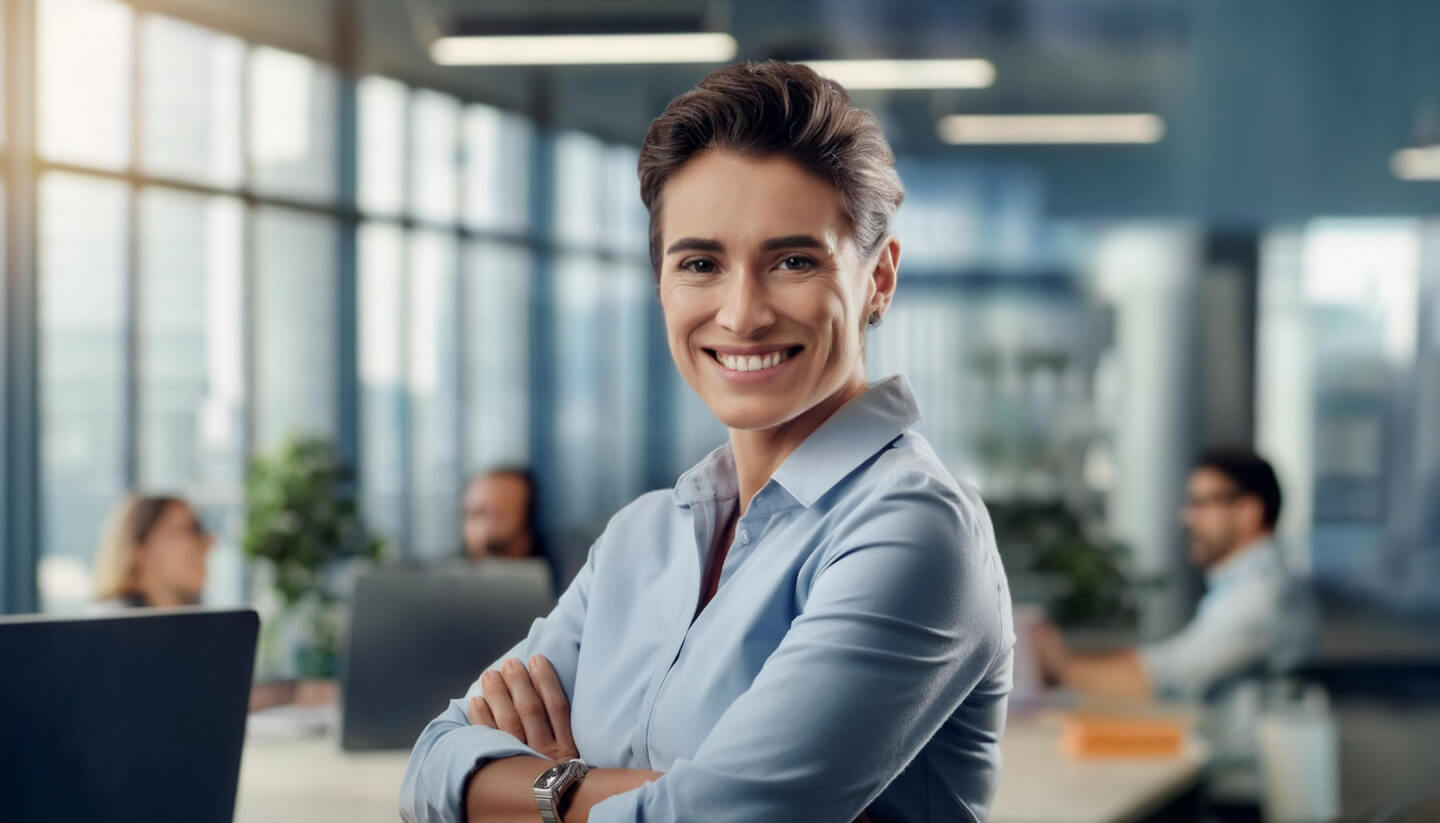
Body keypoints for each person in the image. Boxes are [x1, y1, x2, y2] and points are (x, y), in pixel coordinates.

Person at [400, 61, 1014, 823]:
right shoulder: (639, 539)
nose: (742, 313)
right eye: (701, 263)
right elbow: (430, 766)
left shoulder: (913, 528)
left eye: (793, 260)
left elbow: (725, 818)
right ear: (660, 281)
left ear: (879, 277)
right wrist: (623, 793)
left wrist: (550, 784)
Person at [1031, 447, 1287, 701]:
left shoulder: (1259, 594)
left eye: (1201, 504)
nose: (1186, 519)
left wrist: (1059, 667)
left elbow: (1168, 679)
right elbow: (1167, 661)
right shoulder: (1246, 586)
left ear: (1248, 511)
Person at [92, 494, 213, 609]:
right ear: (141, 551)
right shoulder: (107, 625)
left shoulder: (195, 624)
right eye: (188, 529)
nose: (209, 541)